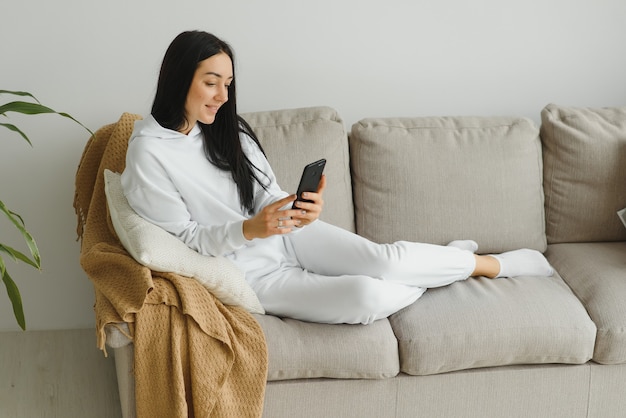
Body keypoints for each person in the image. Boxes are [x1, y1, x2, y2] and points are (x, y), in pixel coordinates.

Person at [121, 30, 554, 325]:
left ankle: (486, 265)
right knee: (368, 298)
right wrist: (251, 229)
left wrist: (296, 208)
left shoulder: (225, 130)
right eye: (212, 83)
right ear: (180, 80)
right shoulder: (149, 153)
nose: (224, 96)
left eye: (228, 83)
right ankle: (443, 267)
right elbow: (187, 240)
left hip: (287, 236)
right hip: (252, 274)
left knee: (387, 261)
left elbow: (265, 193)